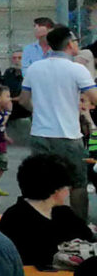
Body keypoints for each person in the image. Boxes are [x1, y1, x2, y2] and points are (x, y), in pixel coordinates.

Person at [19, 25, 93, 216]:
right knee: (77, 183)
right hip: (68, 136)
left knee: (43, 184)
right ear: (70, 44)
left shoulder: (34, 68)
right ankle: (78, 227)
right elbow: (94, 97)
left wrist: (39, 111)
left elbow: (23, 100)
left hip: (40, 134)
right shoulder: (77, 69)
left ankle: (44, 223)